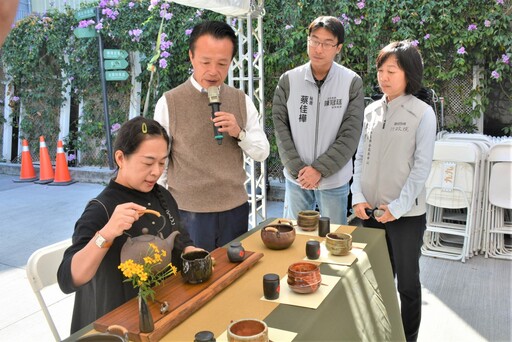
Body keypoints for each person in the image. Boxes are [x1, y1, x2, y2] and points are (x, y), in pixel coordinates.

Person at [57, 117, 201, 333]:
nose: (156, 171)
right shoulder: (101, 209)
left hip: (162, 312)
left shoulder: (162, 195)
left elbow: (180, 239)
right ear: (120, 158)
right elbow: (68, 279)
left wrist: (192, 251)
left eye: (162, 162)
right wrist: (106, 234)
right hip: (116, 327)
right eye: (148, 162)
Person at [154, 20, 269, 251]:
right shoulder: (170, 102)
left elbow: (262, 151)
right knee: (193, 281)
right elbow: (160, 162)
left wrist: (239, 133)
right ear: (191, 57)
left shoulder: (241, 100)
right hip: (188, 212)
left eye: (222, 63)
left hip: (234, 209)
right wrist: (166, 210)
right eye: (205, 62)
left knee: (233, 277)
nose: (213, 71)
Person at [351, 41, 437, 342]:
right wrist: (358, 197)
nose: (383, 77)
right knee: (377, 280)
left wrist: (397, 208)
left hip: (405, 216)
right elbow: (360, 157)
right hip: (371, 212)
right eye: (380, 70)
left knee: (408, 286)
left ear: (409, 74)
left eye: (391, 71)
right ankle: (380, 335)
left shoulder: (423, 114)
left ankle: (407, 338)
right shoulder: (372, 110)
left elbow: (421, 169)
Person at [272, 16, 364, 225]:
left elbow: (350, 133)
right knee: (295, 237)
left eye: (327, 43)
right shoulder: (289, 79)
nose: (318, 49)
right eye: (314, 40)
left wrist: (319, 170)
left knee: (333, 238)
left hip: (334, 180)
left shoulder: (351, 82)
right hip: (297, 178)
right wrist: (300, 171)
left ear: (338, 47)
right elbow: (280, 127)